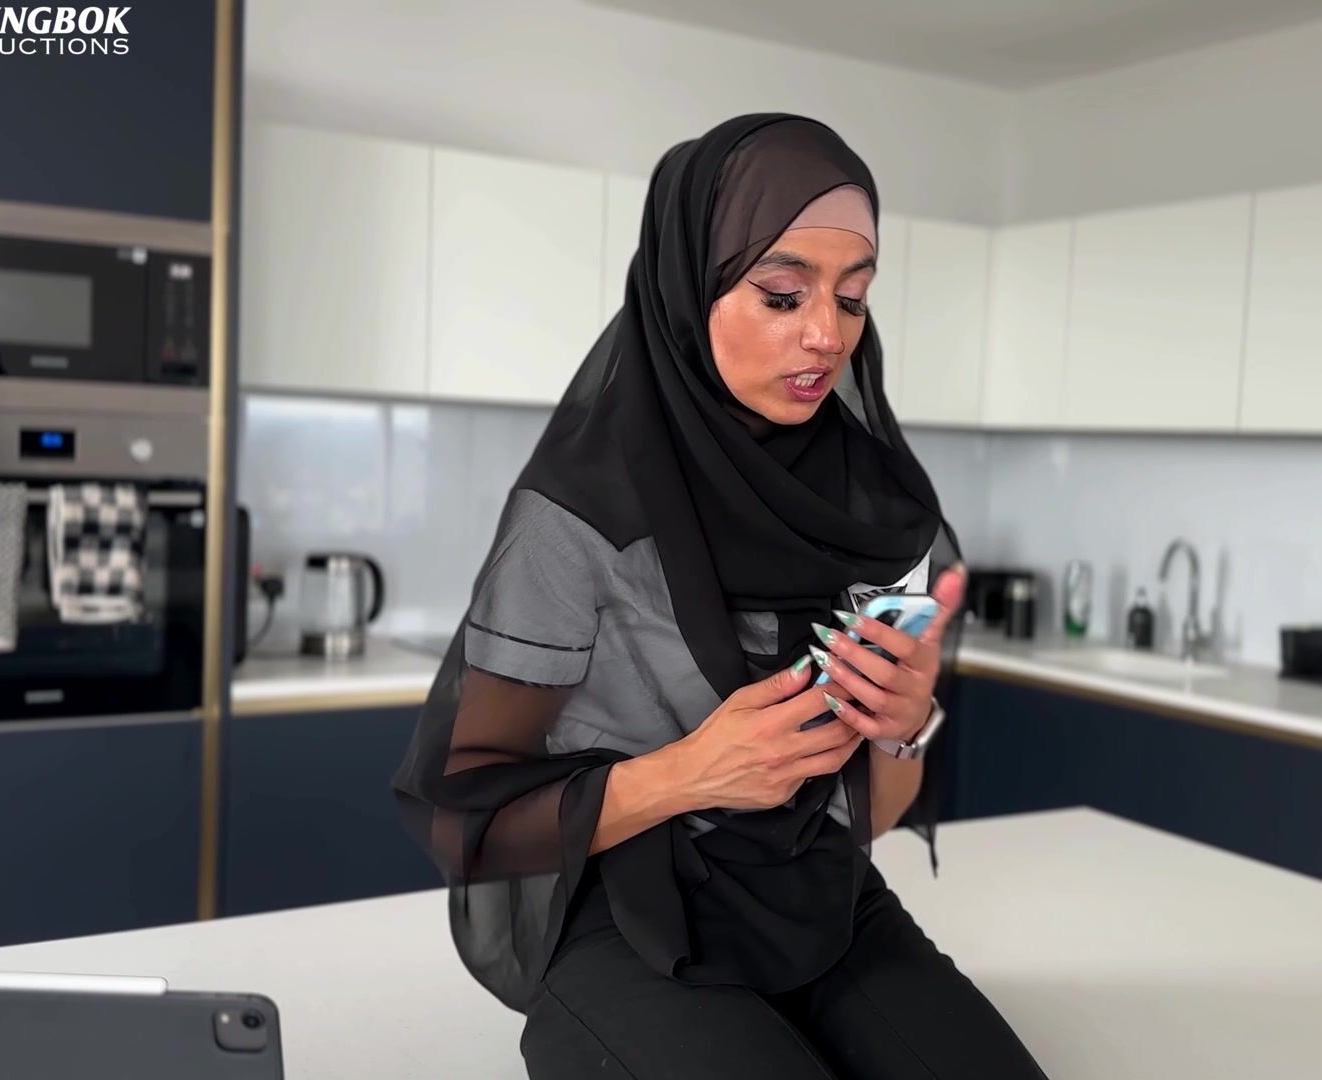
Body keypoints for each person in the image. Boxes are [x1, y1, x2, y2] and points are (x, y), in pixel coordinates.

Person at [392, 113, 1047, 1079]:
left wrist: (904, 726)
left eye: (853, 298)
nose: (826, 334)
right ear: (686, 286)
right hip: (624, 913)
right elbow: (465, 822)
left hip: (816, 895)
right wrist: (689, 774)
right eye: (782, 294)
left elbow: (871, 815)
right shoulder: (580, 518)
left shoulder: (874, 504)